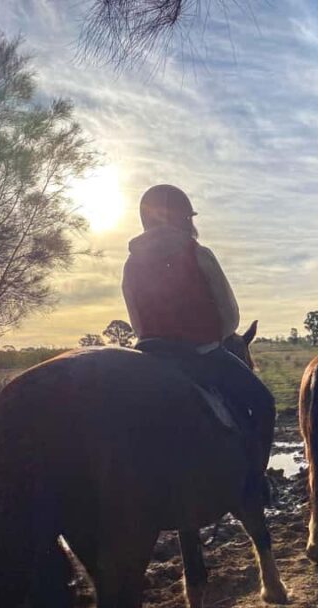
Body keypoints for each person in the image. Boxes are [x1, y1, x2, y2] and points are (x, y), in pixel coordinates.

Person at [122, 184, 275, 493]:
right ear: (184, 218)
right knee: (264, 402)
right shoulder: (199, 253)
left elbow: (136, 322)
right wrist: (209, 338)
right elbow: (231, 316)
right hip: (201, 355)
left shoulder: (131, 263)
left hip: (149, 356)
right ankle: (256, 480)